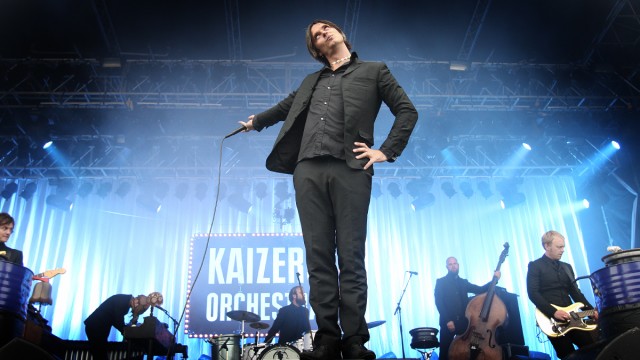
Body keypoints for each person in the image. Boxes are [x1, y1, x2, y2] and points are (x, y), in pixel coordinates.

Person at [238, 19, 418, 360]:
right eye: (316, 36)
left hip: (352, 168)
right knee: (318, 257)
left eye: (326, 28)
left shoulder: (375, 70)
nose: (323, 33)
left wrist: (386, 150)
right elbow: (284, 108)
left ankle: (354, 340)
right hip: (307, 169)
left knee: (351, 255)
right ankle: (326, 339)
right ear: (316, 49)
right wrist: (255, 122)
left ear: (341, 34)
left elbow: (407, 110)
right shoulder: (311, 81)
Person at [527, 230, 598, 359]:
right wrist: (553, 312)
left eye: (563, 246)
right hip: (552, 320)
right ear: (547, 246)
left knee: (592, 349)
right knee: (568, 355)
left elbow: (576, 293)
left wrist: (590, 310)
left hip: (573, 316)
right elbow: (533, 293)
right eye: (559, 247)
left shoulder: (567, 267)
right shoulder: (535, 266)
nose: (563, 250)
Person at [434, 256, 501, 360]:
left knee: (475, 344)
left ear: (458, 265)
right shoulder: (441, 282)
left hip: (464, 323)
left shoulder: (463, 282)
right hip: (448, 323)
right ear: (447, 267)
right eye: (450, 264)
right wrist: (448, 321)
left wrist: (495, 279)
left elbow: (481, 289)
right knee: (444, 353)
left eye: (455, 263)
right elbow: (439, 303)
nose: (453, 266)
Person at [84, 294, 150, 360]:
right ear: (136, 302)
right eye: (137, 308)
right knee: (100, 356)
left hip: (99, 328)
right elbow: (117, 320)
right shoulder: (122, 300)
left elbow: (116, 320)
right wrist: (126, 332)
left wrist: (126, 331)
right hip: (95, 327)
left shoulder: (125, 301)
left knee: (100, 355)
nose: (134, 309)